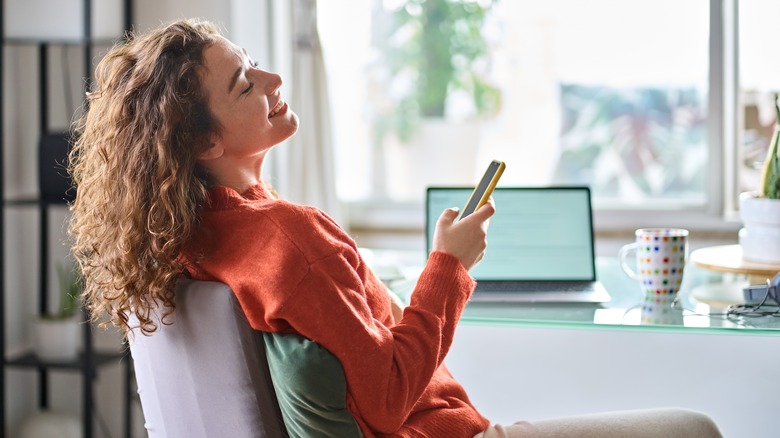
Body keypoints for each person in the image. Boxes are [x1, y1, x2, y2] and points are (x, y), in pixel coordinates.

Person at [68, 18, 722, 438]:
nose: (273, 79)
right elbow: (384, 399)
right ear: (206, 143)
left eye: (255, 63)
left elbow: (329, 316)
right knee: (695, 429)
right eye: (244, 84)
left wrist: (384, 284)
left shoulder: (188, 239)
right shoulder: (290, 238)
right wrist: (450, 267)